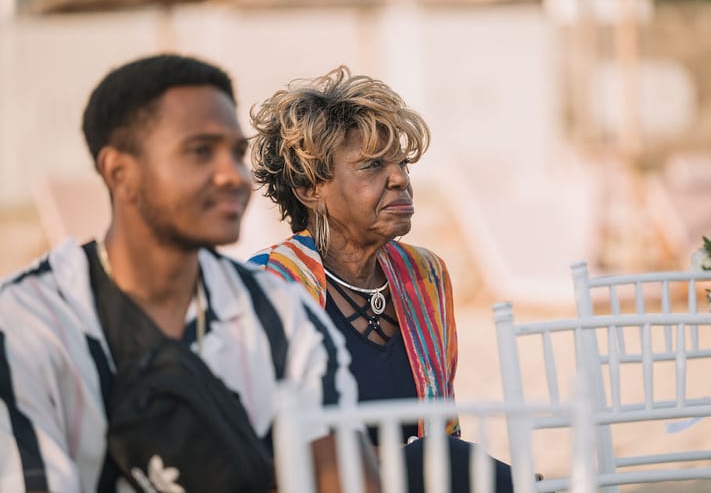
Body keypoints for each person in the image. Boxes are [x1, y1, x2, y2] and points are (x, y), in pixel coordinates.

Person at [0, 55, 378, 493]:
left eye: (236, 152)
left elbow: (348, 481)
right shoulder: (29, 325)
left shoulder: (282, 315)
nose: (233, 176)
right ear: (120, 173)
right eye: (200, 151)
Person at [248, 66, 515, 492]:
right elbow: (261, 443)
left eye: (402, 163)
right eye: (372, 165)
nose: (400, 179)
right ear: (311, 189)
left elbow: (441, 421)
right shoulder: (268, 285)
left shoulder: (424, 275)